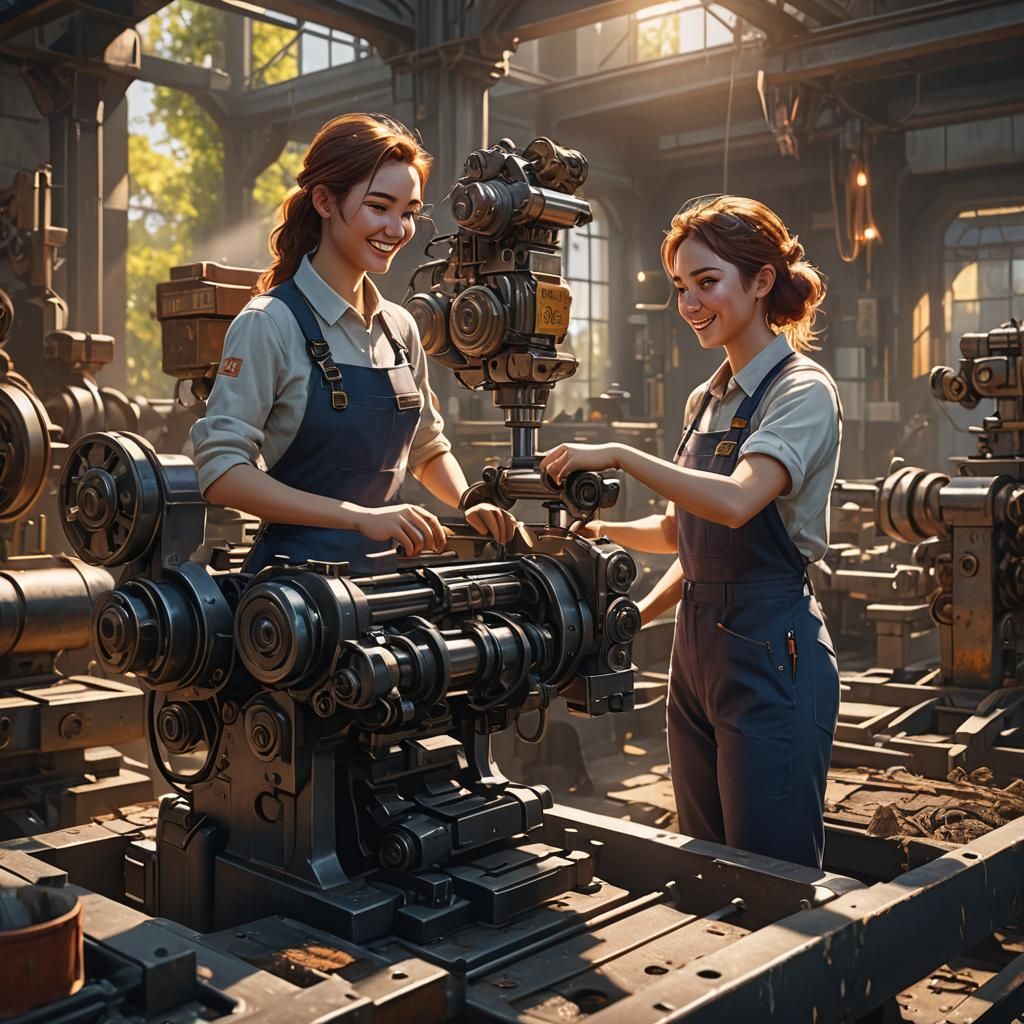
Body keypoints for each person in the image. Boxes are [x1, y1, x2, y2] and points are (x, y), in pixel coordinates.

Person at [540, 195, 842, 869]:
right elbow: (684, 533)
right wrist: (601, 538)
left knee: (771, 871)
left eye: (707, 282)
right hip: (696, 652)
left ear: (762, 281)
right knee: (707, 863)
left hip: (771, 646)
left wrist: (619, 455)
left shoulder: (802, 390)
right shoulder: (704, 399)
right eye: (681, 287)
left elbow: (737, 503)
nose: (691, 303)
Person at [191, 113, 517, 575]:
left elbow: (426, 447)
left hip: (387, 585)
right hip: (292, 593)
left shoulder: (400, 328)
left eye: (408, 213)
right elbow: (222, 473)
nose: (397, 229)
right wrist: (358, 517)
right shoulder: (269, 324)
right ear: (325, 201)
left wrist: (467, 500)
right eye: (379, 207)